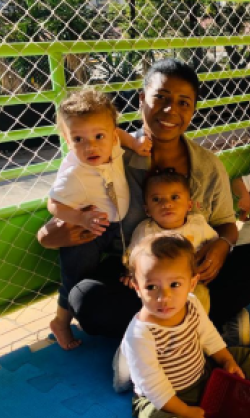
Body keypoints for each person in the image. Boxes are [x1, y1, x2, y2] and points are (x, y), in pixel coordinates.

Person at [37, 59, 250, 345]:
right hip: (137, 281)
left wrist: (221, 247)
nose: (170, 110)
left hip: (191, 274)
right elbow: (62, 215)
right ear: (141, 100)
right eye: (160, 98)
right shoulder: (108, 156)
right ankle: (201, 327)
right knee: (86, 300)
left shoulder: (208, 166)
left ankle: (163, 334)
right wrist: (49, 235)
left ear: (193, 109)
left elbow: (226, 223)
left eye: (183, 102)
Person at [121, 234, 250, 418]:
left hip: (202, 375)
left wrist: (227, 361)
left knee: (238, 356)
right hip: (165, 401)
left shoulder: (192, 303)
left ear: (192, 283)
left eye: (175, 284)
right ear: (137, 287)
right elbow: (154, 389)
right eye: (152, 287)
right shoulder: (139, 336)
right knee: (152, 415)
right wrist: (186, 412)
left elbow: (209, 336)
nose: (164, 297)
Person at [47, 88, 150, 350]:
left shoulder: (114, 143)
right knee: (75, 276)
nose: (91, 146)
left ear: (112, 133)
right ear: (67, 140)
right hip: (87, 234)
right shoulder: (73, 174)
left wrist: (136, 144)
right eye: (78, 139)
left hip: (116, 225)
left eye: (98, 136)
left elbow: (121, 137)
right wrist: (80, 219)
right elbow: (54, 205)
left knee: (120, 265)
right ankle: (61, 321)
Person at [126, 169, 216, 312]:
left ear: (189, 205)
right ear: (147, 209)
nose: (166, 204)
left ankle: (196, 329)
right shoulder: (145, 230)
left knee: (197, 297)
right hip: (159, 286)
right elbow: (132, 256)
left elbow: (215, 246)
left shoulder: (198, 224)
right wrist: (130, 273)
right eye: (156, 199)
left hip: (194, 281)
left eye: (174, 197)